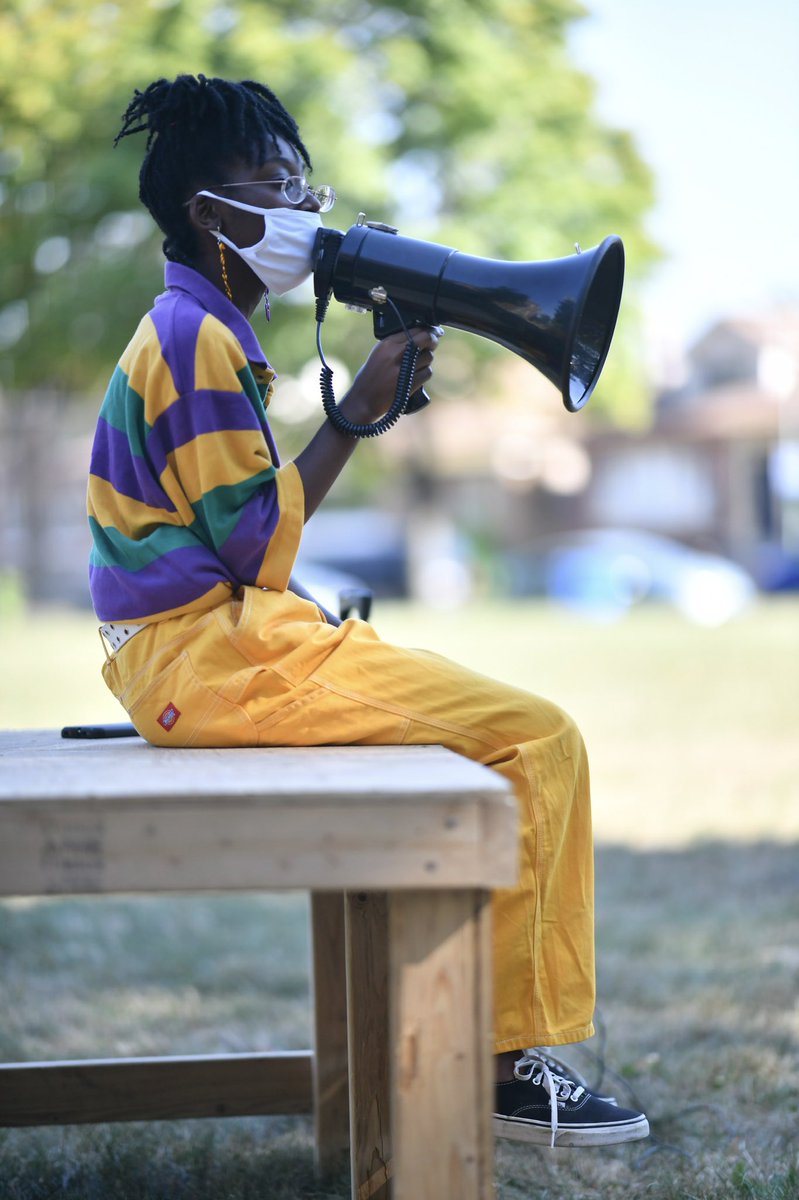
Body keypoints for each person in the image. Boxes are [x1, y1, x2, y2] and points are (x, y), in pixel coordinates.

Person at [87, 73, 649, 1149]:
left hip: (204, 652)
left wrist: (354, 414)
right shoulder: (193, 341)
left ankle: (486, 1046)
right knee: (537, 737)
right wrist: (350, 418)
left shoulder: (196, 330)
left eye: (303, 184)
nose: (303, 209)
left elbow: (240, 544)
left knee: (489, 722)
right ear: (211, 215)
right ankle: (500, 1063)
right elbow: (254, 547)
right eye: (274, 186)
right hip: (208, 659)